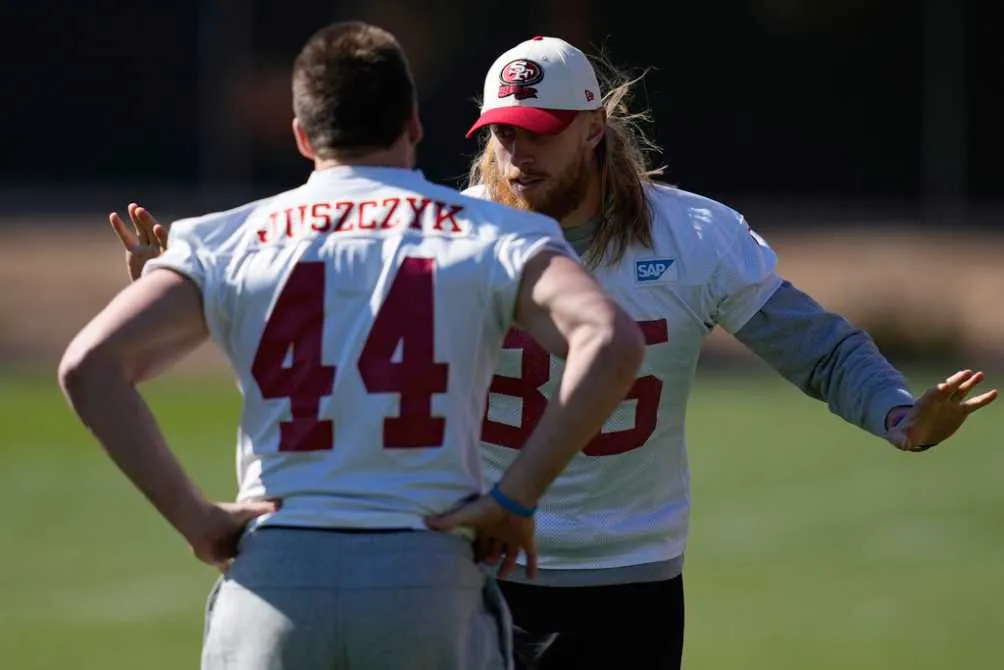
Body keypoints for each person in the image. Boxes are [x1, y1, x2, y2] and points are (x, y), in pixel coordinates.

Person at [109, 34, 999, 670]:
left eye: (537, 128)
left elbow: (815, 346)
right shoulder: (455, 230)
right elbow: (325, 338)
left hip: (627, 574)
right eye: (500, 130)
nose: (514, 150)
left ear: (594, 129)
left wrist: (896, 413)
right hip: (471, 561)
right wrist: (181, 291)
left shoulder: (693, 235)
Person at [59, 22, 645, 670]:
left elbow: (91, 366)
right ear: (415, 124)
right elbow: (610, 339)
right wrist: (516, 497)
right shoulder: (494, 232)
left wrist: (196, 520)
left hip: (276, 578)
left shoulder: (222, 238)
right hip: (425, 573)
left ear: (303, 137)